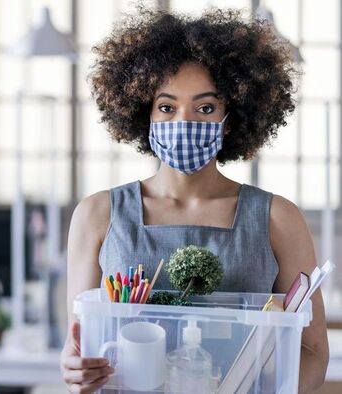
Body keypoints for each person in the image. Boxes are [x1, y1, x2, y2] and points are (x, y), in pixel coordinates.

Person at [60, 8, 329, 394]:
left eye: (205, 108)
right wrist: (73, 371)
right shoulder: (98, 214)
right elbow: (76, 347)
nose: (183, 123)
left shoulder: (278, 218)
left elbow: (313, 353)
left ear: (231, 118)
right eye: (167, 107)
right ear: (144, 113)